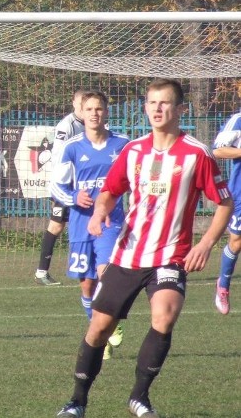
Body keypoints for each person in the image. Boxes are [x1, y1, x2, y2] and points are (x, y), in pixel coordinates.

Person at [56, 79, 233, 418]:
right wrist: (100, 212)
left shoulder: (197, 153)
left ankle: (139, 397)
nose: (156, 109)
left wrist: (207, 243)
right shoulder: (133, 150)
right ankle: (77, 400)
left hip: (170, 255)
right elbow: (109, 190)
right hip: (128, 253)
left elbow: (224, 202)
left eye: (165, 103)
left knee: (164, 316)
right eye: (152, 103)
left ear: (181, 110)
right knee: (99, 328)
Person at [49, 91, 128, 360]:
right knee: (87, 285)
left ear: (106, 112)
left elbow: (136, 180)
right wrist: (73, 196)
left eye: (99, 108)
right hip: (81, 223)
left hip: (110, 221)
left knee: (107, 273)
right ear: (81, 113)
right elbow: (56, 185)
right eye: (89, 109)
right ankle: (99, 334)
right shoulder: (72, 147)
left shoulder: (123, 144)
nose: (94, 113)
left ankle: (111, 323)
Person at [36, 89, 89, 285]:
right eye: (81, 103)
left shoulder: (91, 125)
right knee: (57, 225)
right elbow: (58, 155)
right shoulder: (66, 126)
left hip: (83, 185)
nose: (84, 108)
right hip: (66, 186)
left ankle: (90, 267)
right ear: (75, 104)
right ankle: (42, 272)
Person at [211, 112, 241, 314]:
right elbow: (217, 150)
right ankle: (223, 284)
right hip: (240, 191)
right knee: (237, 241)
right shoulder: (238, 120)